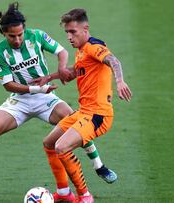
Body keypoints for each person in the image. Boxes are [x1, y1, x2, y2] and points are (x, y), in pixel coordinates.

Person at [0, 3, 116, 203]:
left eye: (20, 34)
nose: (17, 39)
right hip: (21, 100)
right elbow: (9, 85)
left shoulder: (37, 36)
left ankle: (99, 166)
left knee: (75, 121)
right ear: (4, 33)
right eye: (12, 36)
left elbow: (61, 52)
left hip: (46, 98)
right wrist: (36, 89)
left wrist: (60, 69)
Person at [33, 8, 133, 203]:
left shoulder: (94, 46)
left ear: (85, 28)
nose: (69, 37)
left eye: (73, 32)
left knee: (62, 147)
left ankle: (85, 196)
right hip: (83, 112)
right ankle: (63, 193)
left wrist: (120, 81)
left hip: (98, 115)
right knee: (49, 143)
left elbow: (113, 60)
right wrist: (51, 76)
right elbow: (76, 71)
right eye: (67, 33)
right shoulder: (81, 52)